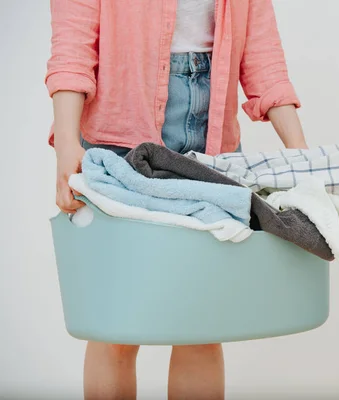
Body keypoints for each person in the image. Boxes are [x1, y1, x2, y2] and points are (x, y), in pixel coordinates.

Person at [45, 1, 308, 398]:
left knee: (201, 327)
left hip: (212, 141)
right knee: (114, 323)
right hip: (117, 139)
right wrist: (66, 142)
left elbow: (264, 58)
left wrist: (299, 154)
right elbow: (73, 48)